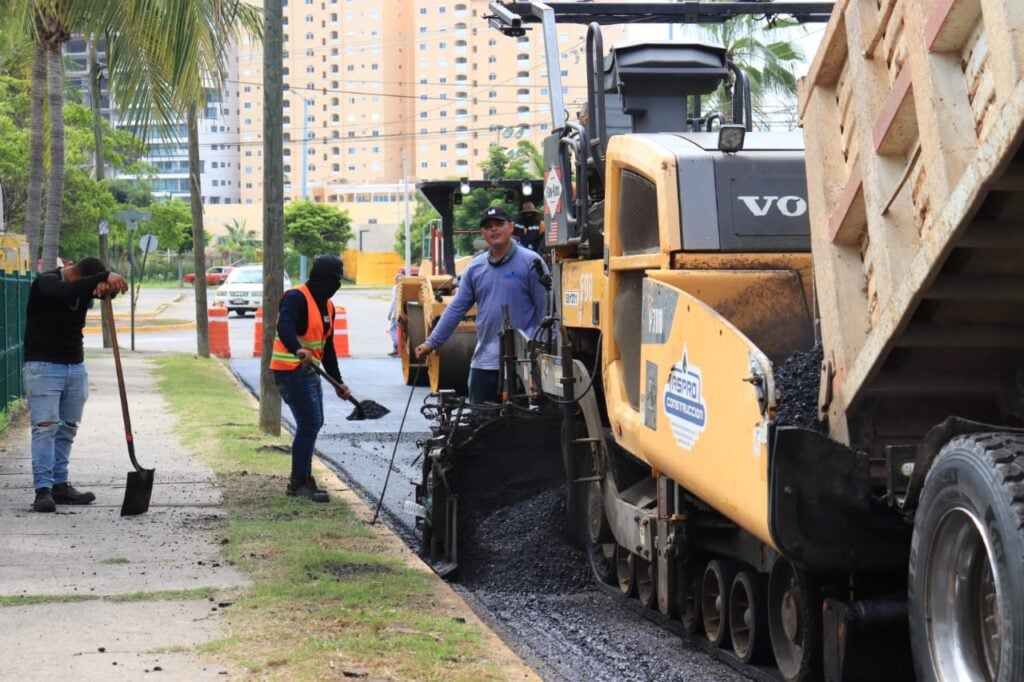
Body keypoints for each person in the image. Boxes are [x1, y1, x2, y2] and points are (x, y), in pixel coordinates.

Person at [23, 257, 128, 512]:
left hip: (75, 366)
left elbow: (98, 293)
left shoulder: (83, 288)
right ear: (78, 276)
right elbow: (64, 292)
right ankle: (43, 490)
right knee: (45, 427)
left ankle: (60, 485)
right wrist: (101, 278)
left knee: (68, 428)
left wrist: (110, 289)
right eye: (89, 283)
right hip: (43, 366)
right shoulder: (46, 282)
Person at [414, 206, 549, 404]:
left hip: (522, 362)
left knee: (520, 424)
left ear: (511, 227)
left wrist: (540, 355)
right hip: (484, 362)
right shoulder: (475, 268)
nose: (494, 229)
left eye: (499, 224)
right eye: (488, 226)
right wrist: (431, 342)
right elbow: (456, 309)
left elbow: (544, 310)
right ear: (482, 233)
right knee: (479, 423)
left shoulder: (531, 262)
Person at [269, 254, 351, 502]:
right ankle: (298, 481)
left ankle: (303, 477)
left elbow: (328, 347)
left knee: (314, 422)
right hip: (290, 369)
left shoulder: (327, 306)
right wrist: (297, 349)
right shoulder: (296, 297)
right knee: (309, 423)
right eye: (336, 280)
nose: (338, 286)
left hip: (309, 370)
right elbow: (284, 327)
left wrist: (338, 382)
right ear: (325, 279)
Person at [387, 273, 401, 357]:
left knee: (392, 329)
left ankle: (397, 346)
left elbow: (394, 301)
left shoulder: (396, 288)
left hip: (396, 312)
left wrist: (390, 313)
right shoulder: (405, 287)